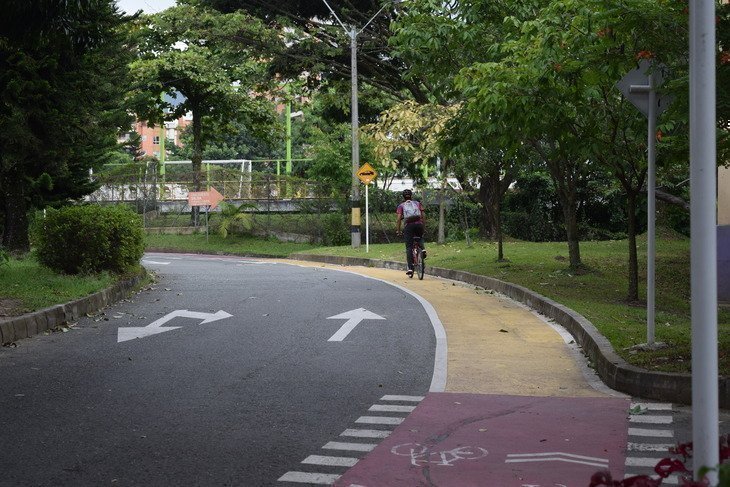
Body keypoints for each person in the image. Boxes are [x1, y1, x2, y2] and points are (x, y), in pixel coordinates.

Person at [395, 189, 426, 277]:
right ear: (411, 196)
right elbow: (423, 215)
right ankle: (423, 249)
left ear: (403, 197)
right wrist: (423, 226)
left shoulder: (401, 206)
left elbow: (398, 219)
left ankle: (410, 268)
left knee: (409, 247)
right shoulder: (417, 203)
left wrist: (398, 230)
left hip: (409, 226)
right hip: (419, 224)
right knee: (420, 237)